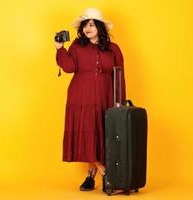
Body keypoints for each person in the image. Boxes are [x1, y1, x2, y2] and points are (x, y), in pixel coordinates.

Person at [55, 8, 126, 191]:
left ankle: (90, 177)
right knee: (87, 133)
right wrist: (60, 49)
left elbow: (119, 75)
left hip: (106, 96)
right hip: (81, 97)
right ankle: (105, 173)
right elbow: (69, 67)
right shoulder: (77, 46)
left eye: (92, 24)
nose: (87, 28)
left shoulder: (114, 48)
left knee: (103, 135)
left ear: (99, 27)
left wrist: (119, 100)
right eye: (85, 25)